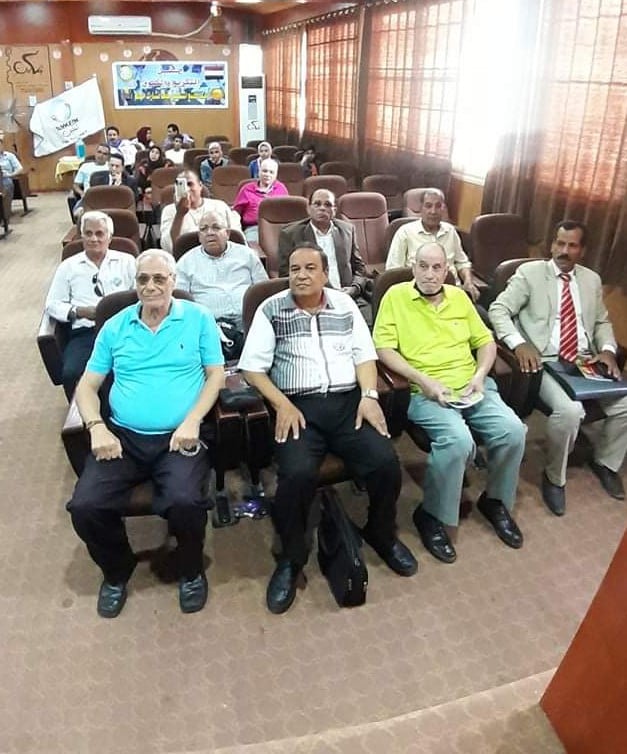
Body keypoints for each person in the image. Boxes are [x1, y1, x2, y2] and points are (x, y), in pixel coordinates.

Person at [240, 243, 417, 615]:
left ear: (324, 274)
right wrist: (282, 403)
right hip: (298, 406)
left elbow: (364, 356)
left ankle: (382, 534)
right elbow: (252, 369)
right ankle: (291, 558)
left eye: (309, 268)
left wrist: (369, 395)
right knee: (296, 475)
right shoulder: (271, 309)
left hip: (347, 402)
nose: (301, 275)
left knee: (385, 463)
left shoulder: (345, 305)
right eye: (294, 269)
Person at [66, 249, 225, 618]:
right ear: (134, 283)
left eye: (159, 278)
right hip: (124, 436)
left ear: (174, 281)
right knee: (86, 507)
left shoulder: (198, 318)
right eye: (143, 279)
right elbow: (87, 386)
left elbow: (216, 374)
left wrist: (193, 420)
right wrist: (97, 427)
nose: (150, 286)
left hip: (180, 436)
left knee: (186, 502)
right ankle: (116, 570)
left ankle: (190, 570)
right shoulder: (115, 326)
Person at [374, 242, 526, 563]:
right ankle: (430, 514)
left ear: (447, 270)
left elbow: (485, 342)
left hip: (471, 385)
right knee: (458, 442)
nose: (430, 274)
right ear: (413, 266)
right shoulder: (395, 297)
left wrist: (480, 375)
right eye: (423, 266)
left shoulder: (459, 297)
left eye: (437, 267)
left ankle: (495, 500)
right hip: (426, 390)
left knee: (513, 431)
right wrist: (422, 380)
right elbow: (383, 348)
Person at [489, 220, 627, 515]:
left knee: (625, 403)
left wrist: (607, 350)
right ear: (551, 245)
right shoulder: (529, 273)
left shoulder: (590, 280)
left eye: (572, 245)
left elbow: (601, 322)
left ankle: (606, 463)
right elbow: (498, 309)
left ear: (582, 250)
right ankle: (554, 477)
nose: (564, 251)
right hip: (546, 361)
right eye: (559, 243)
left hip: (584, 359)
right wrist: (518, 343)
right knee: (570, 411)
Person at [44, 211, 136, 398]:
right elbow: (52, 304)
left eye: (100, 233)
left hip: (124, 330)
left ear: (109, 237)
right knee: (71, 373)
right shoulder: (68, 266)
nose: (94, 239)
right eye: (88, 233)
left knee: (129, 370)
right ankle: (81, 413)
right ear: (81, 236)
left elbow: (140, 296)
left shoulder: (127, 261)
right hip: (86, 332)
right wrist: (78, 311)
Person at [176, 207, 267, 333]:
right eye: (204, 229)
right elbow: (180, 302)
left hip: (250, 323)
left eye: (216, 227)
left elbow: (263, 290)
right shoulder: (186, 262)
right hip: (209, 327)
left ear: (227, 233)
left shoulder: (247, 254)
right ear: (199, 237)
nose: (210, 233)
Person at [385, 188, 480, 301]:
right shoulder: (405, 232)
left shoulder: (450, 231)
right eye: (428, 206)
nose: (433, 211)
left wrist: (468, 282)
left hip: (453, 294)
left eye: (438, 206)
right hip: (419, 295)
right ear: (421, 208)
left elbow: (462, 262)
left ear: (443, 209)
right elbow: (393, 271)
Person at [159, 170, 241, 254]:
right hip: (186, 257)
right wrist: (179, 215)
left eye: (190, 184)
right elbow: (168, 247)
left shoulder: (219, 206)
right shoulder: (169, 210)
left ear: (200, 186)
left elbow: (236, 236)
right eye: (181, 185)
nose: (187, 189)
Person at [232, 158, 288, 243]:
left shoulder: (281, 188)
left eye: (271, 172)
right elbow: (236, 213)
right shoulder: (246, 189)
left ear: (276, 175)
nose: (267, 174)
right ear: (259, 172)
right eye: (265, 171)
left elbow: (287, 212)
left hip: (277, 227)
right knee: (252, 246)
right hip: (254, 227)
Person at [0, 133, 23, 222]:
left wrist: (11, 174)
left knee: (7, 184)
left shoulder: (9, 156)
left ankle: (5, 215)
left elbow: (20, 169)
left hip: (5, 178)